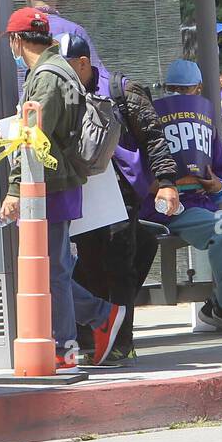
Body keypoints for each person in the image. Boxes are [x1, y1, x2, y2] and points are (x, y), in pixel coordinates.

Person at [0, 8, 126, 370]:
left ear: (17, 40)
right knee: (52, 269)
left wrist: (15, 190)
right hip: (51, 185)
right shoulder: (53, 71)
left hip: (47, 186)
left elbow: (33, 138)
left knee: (51, 272)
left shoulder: (47, 77)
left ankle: (68, 348)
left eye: (11, 41)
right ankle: (99, 318)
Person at [59, 36, 179, 363]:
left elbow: (154, 138)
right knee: (85, 268)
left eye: (66, 67)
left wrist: (166, 182)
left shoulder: (123, 92)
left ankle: (121, 343)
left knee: (119, 268)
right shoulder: (64, 92)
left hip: (121, 194)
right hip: (83, 192)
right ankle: (92, 339)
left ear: (83, 63)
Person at [149, 59, 222, 334]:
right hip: (169, 208)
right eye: (174, 89)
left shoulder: (207, 121)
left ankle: (220, 305)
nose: (180, 94)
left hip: (200, 204)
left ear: (197, 89)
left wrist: (215, 187)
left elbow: (221, 179)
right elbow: (141, 175)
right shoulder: (152, 120)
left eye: (185, 89)